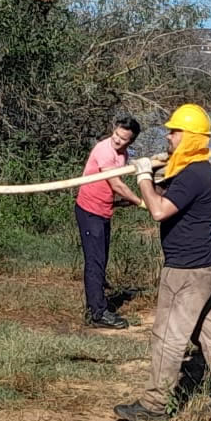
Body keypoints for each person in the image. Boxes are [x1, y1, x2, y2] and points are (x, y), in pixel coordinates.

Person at [114, 104, 211, 421]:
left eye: (175, 132)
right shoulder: (191, 170)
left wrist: (143, 176)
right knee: (210, 333)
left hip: (187, 270)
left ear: (191, 137)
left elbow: (158, 210)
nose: (169, 137)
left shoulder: (192, 174)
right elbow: (164, 197)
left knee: (167, 335)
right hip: (204, 265)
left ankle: (155, 405)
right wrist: (156, 177)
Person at [75, 116, 144, 329]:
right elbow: (116, 184)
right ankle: (97, 313)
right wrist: (140, 201)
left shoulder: (123, 154)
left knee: (101, 258)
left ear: (130, 141)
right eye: (116, 135)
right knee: (95, 261)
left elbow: (118, 182)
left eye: (123, 139)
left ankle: (98, 300)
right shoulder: (104, 150)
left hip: (104, 211)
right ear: (113, 130)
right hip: (89, 211)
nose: (117, 140)